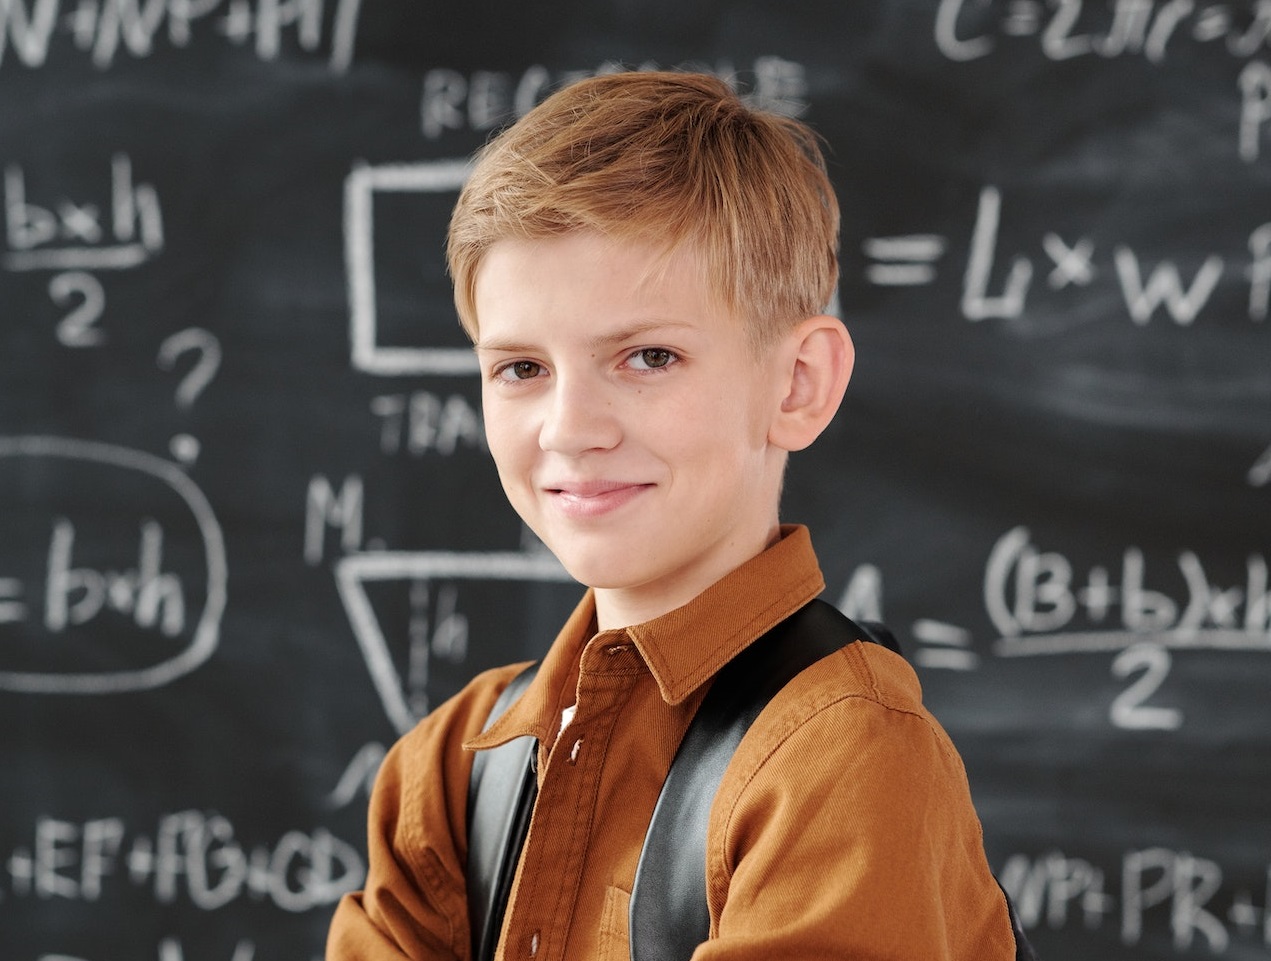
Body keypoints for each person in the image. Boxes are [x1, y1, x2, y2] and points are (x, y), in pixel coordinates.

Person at [327, 70, 1019, 960]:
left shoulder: (842, 754)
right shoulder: (448, 768)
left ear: (797, 384)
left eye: (647, 357)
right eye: (521, 368)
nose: (569, 428)